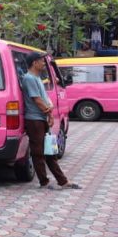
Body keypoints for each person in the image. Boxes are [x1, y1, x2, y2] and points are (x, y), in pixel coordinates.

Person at [22, 51, 81, 190]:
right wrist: (49, 113)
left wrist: (49, 113)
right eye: (42, 61)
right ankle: (44, 182)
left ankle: (63, 181)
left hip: (41, 118)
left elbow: (43, 99)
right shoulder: (29, 78)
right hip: (34, 120)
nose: (44, 63)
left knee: (50, 151)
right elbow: (37, 99)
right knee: (38, 152)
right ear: (34, 63)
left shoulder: (37, 78)